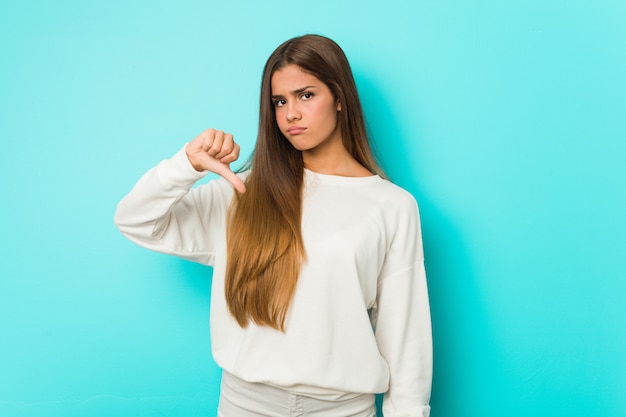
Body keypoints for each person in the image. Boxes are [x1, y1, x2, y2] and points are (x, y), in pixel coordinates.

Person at [114, 34, 432, 417]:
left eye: (306, 95)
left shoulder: (392, 206)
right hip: (244, 405)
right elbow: (135, 220)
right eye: (279, 101)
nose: (290, 114)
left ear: (340, 98)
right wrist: (187, 164)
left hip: (343, 410)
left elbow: (404, 336)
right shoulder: (241, 191)